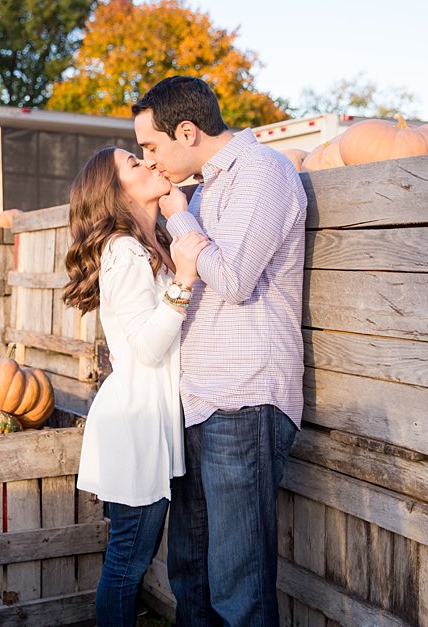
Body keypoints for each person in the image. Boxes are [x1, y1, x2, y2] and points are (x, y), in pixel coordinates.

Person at [131, 76, 307, 626]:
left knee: (239, 585)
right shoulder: (205, 188)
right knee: (192, 575)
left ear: (187, 131)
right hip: (198, 400)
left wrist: (177, 217)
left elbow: (231, 278)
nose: (150, 162)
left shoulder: (264, 173)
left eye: (152, 148)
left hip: (246, 398)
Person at [63, 146, 208, 626]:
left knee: (130, 557)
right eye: (134, 163)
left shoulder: (152, 242)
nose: (148, 163)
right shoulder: (124, 251)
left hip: (151, 417)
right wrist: (184, 282)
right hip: (135, 423)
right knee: (128, 563)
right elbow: (146, 348)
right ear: (116, 193)